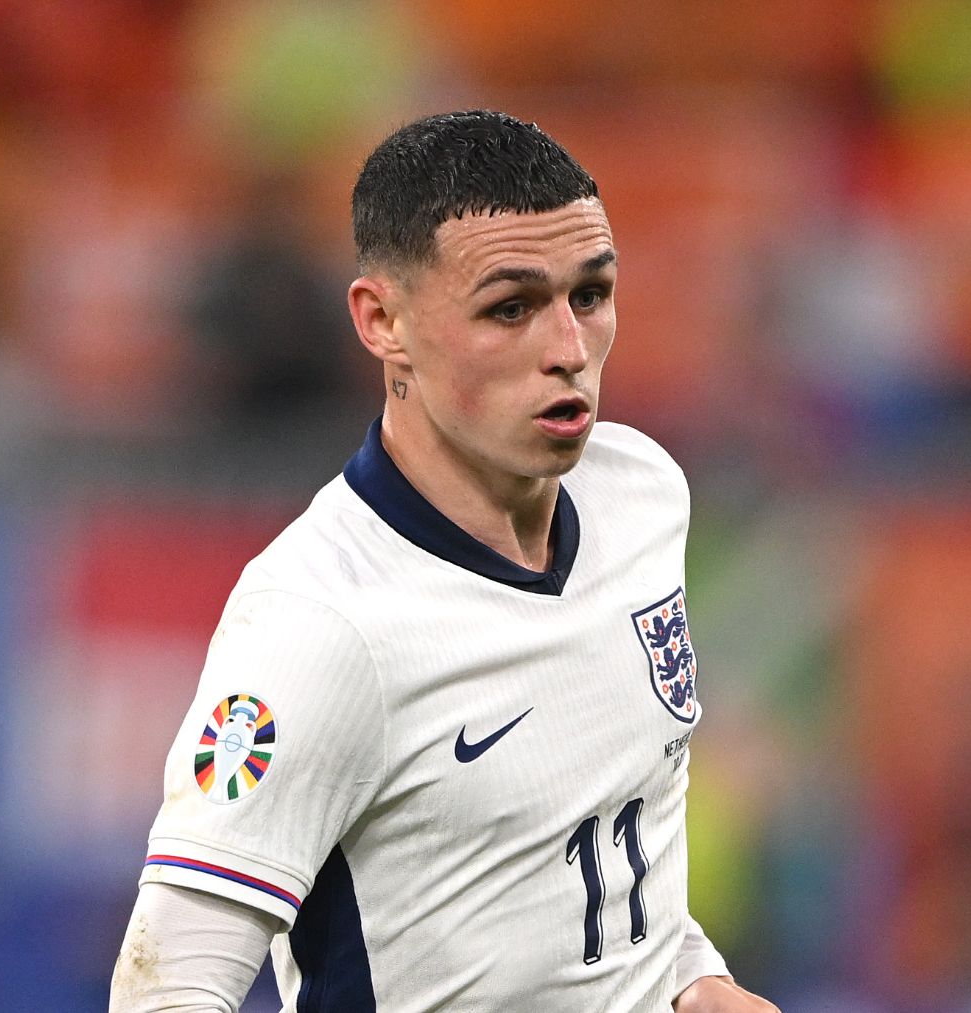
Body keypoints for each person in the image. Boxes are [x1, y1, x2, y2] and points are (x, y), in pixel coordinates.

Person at [110, 110, 778, 1013]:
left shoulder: (643, 497)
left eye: (589, 294)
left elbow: (603, 853)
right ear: (383, 320)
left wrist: (693, 978)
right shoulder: (321, 622)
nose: (569, 351)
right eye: (511, 308)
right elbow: (168, 985)